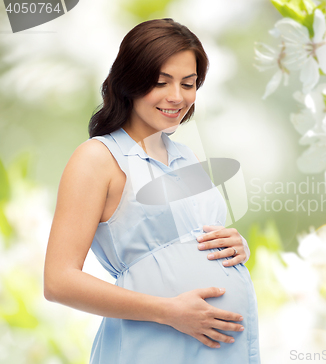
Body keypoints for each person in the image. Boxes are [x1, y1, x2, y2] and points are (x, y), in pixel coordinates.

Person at [43, 18, 260, 364]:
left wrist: (235, 247)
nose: (177, 97)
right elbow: (58, 281)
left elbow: (186, 241)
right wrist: (169, 311)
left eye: (188, 84)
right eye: (161, 82)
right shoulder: (98, 158)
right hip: (151, 347)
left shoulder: (185, 156)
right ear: (130, 82)